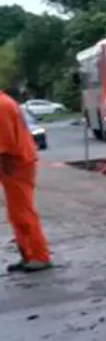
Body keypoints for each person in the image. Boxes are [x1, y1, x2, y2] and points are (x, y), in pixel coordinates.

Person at [0, 89, 52, 273]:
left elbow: (5, 144)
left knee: (22, 211)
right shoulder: (4, 102)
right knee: (17, 213)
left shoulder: (2, 106)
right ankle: (28, 254)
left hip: (14, 163)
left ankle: (39, 255)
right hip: (13, 162)